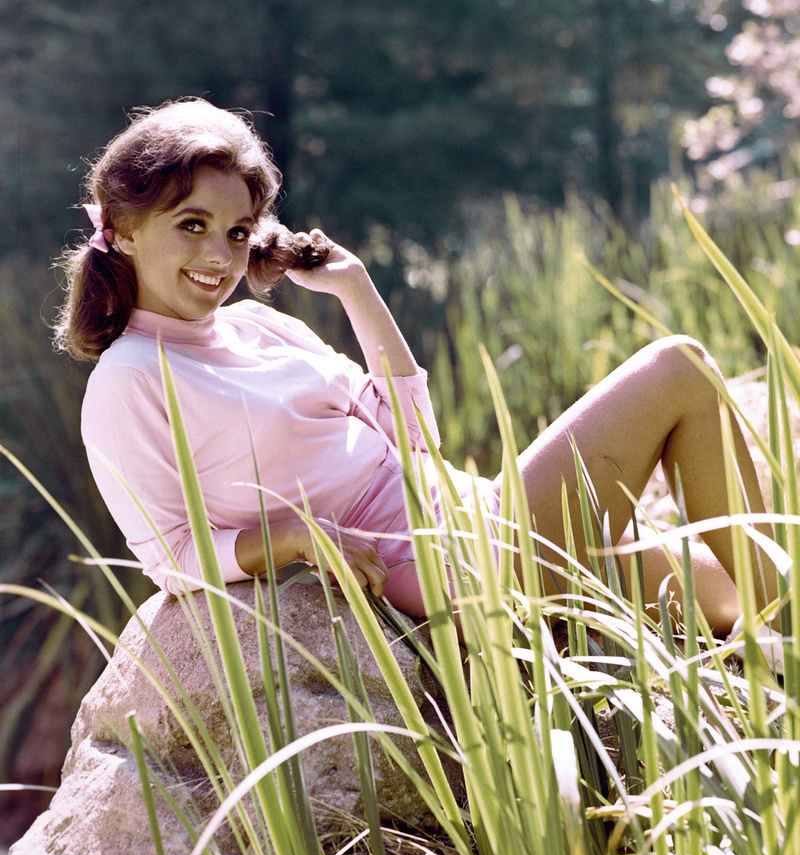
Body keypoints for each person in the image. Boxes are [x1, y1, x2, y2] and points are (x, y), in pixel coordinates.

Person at [55, 98, 778, 643]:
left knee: (732, 596)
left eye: (237, 232)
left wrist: (356, 288)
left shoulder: (260, 327)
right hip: (454, 567)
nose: (220, 256)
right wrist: (301, 539)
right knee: (679, 366)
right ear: (119, 229)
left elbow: (416, 437)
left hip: (481, 512)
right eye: (193, 225)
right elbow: (172, 557)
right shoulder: (130, 378)